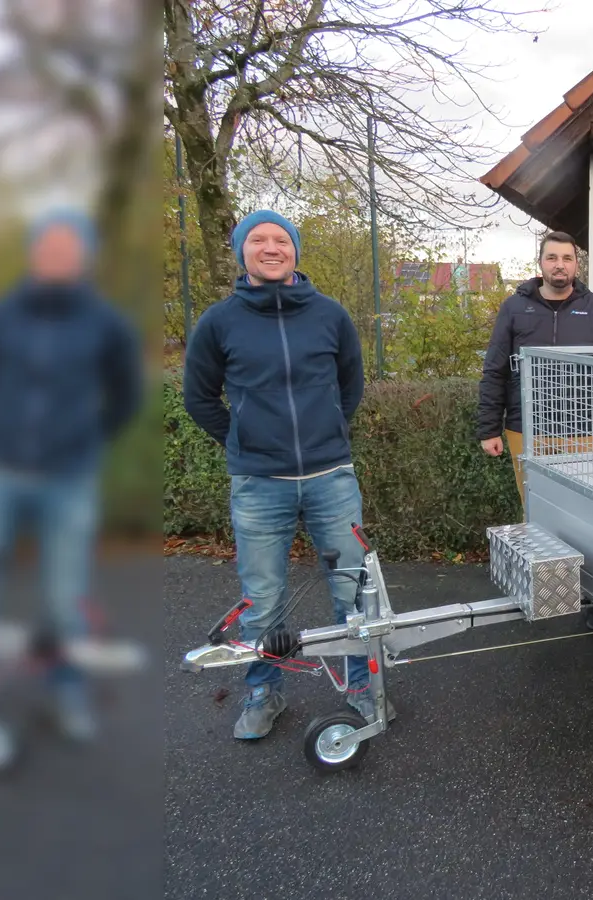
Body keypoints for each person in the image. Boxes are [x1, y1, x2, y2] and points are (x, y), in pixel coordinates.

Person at [183, 209, 392, 740]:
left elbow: (350, 384)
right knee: (264, 598)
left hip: (331, 478)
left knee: (352, 591)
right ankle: (262, 691)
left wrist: (330, 432)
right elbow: (200, 397)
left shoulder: (329, 315)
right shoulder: (219, 322)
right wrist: (242, 439)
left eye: (281, 239)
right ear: (242, 252)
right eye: (258, 240)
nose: (271, 247)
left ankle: (361, 688)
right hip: (258, 484)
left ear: (295, 251)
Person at [0, 208, 141, 746]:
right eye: (49, 244)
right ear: (34, 250)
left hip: (69, 478)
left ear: (82, 254)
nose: (58, 253)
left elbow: (125, 394)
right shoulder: (0, 315)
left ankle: (67, 691)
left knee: (64, 592)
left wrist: (86, 439)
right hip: (0, 472)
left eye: (69, 245)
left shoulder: (104, 323)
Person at [477, 231, 593, 508]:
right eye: (552, 257)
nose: (560, 264)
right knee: (536, 507)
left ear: (576, 265)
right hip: (527, 429)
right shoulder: (514, 307)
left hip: (582, 430)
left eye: (567, 258)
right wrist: (489, 430)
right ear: (541, 263)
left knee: (582, 509)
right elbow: (495, 370)